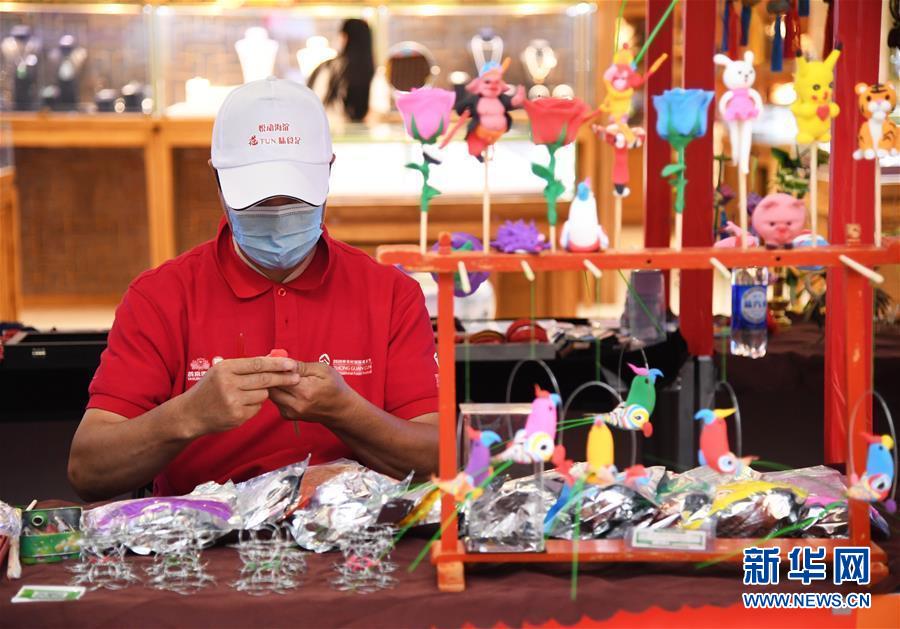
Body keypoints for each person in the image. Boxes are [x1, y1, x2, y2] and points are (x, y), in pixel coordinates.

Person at [68, 78, 439, 501]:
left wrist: (346, 412)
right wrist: (187, 415)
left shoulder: (390, 296)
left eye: (295, 200)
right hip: (204, 536)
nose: (278, 217)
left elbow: (440, 459)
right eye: (258, 203)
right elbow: (88, 469)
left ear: (329, 172)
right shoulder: (161, 298)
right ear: (217, 180)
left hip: (356, 531)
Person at [308, 18, 375, 122]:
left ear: (345, 37)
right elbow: (377, 112)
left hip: (324, 126)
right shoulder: (374, 73)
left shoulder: (328, 68)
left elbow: (312, 102)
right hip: (356, 130)